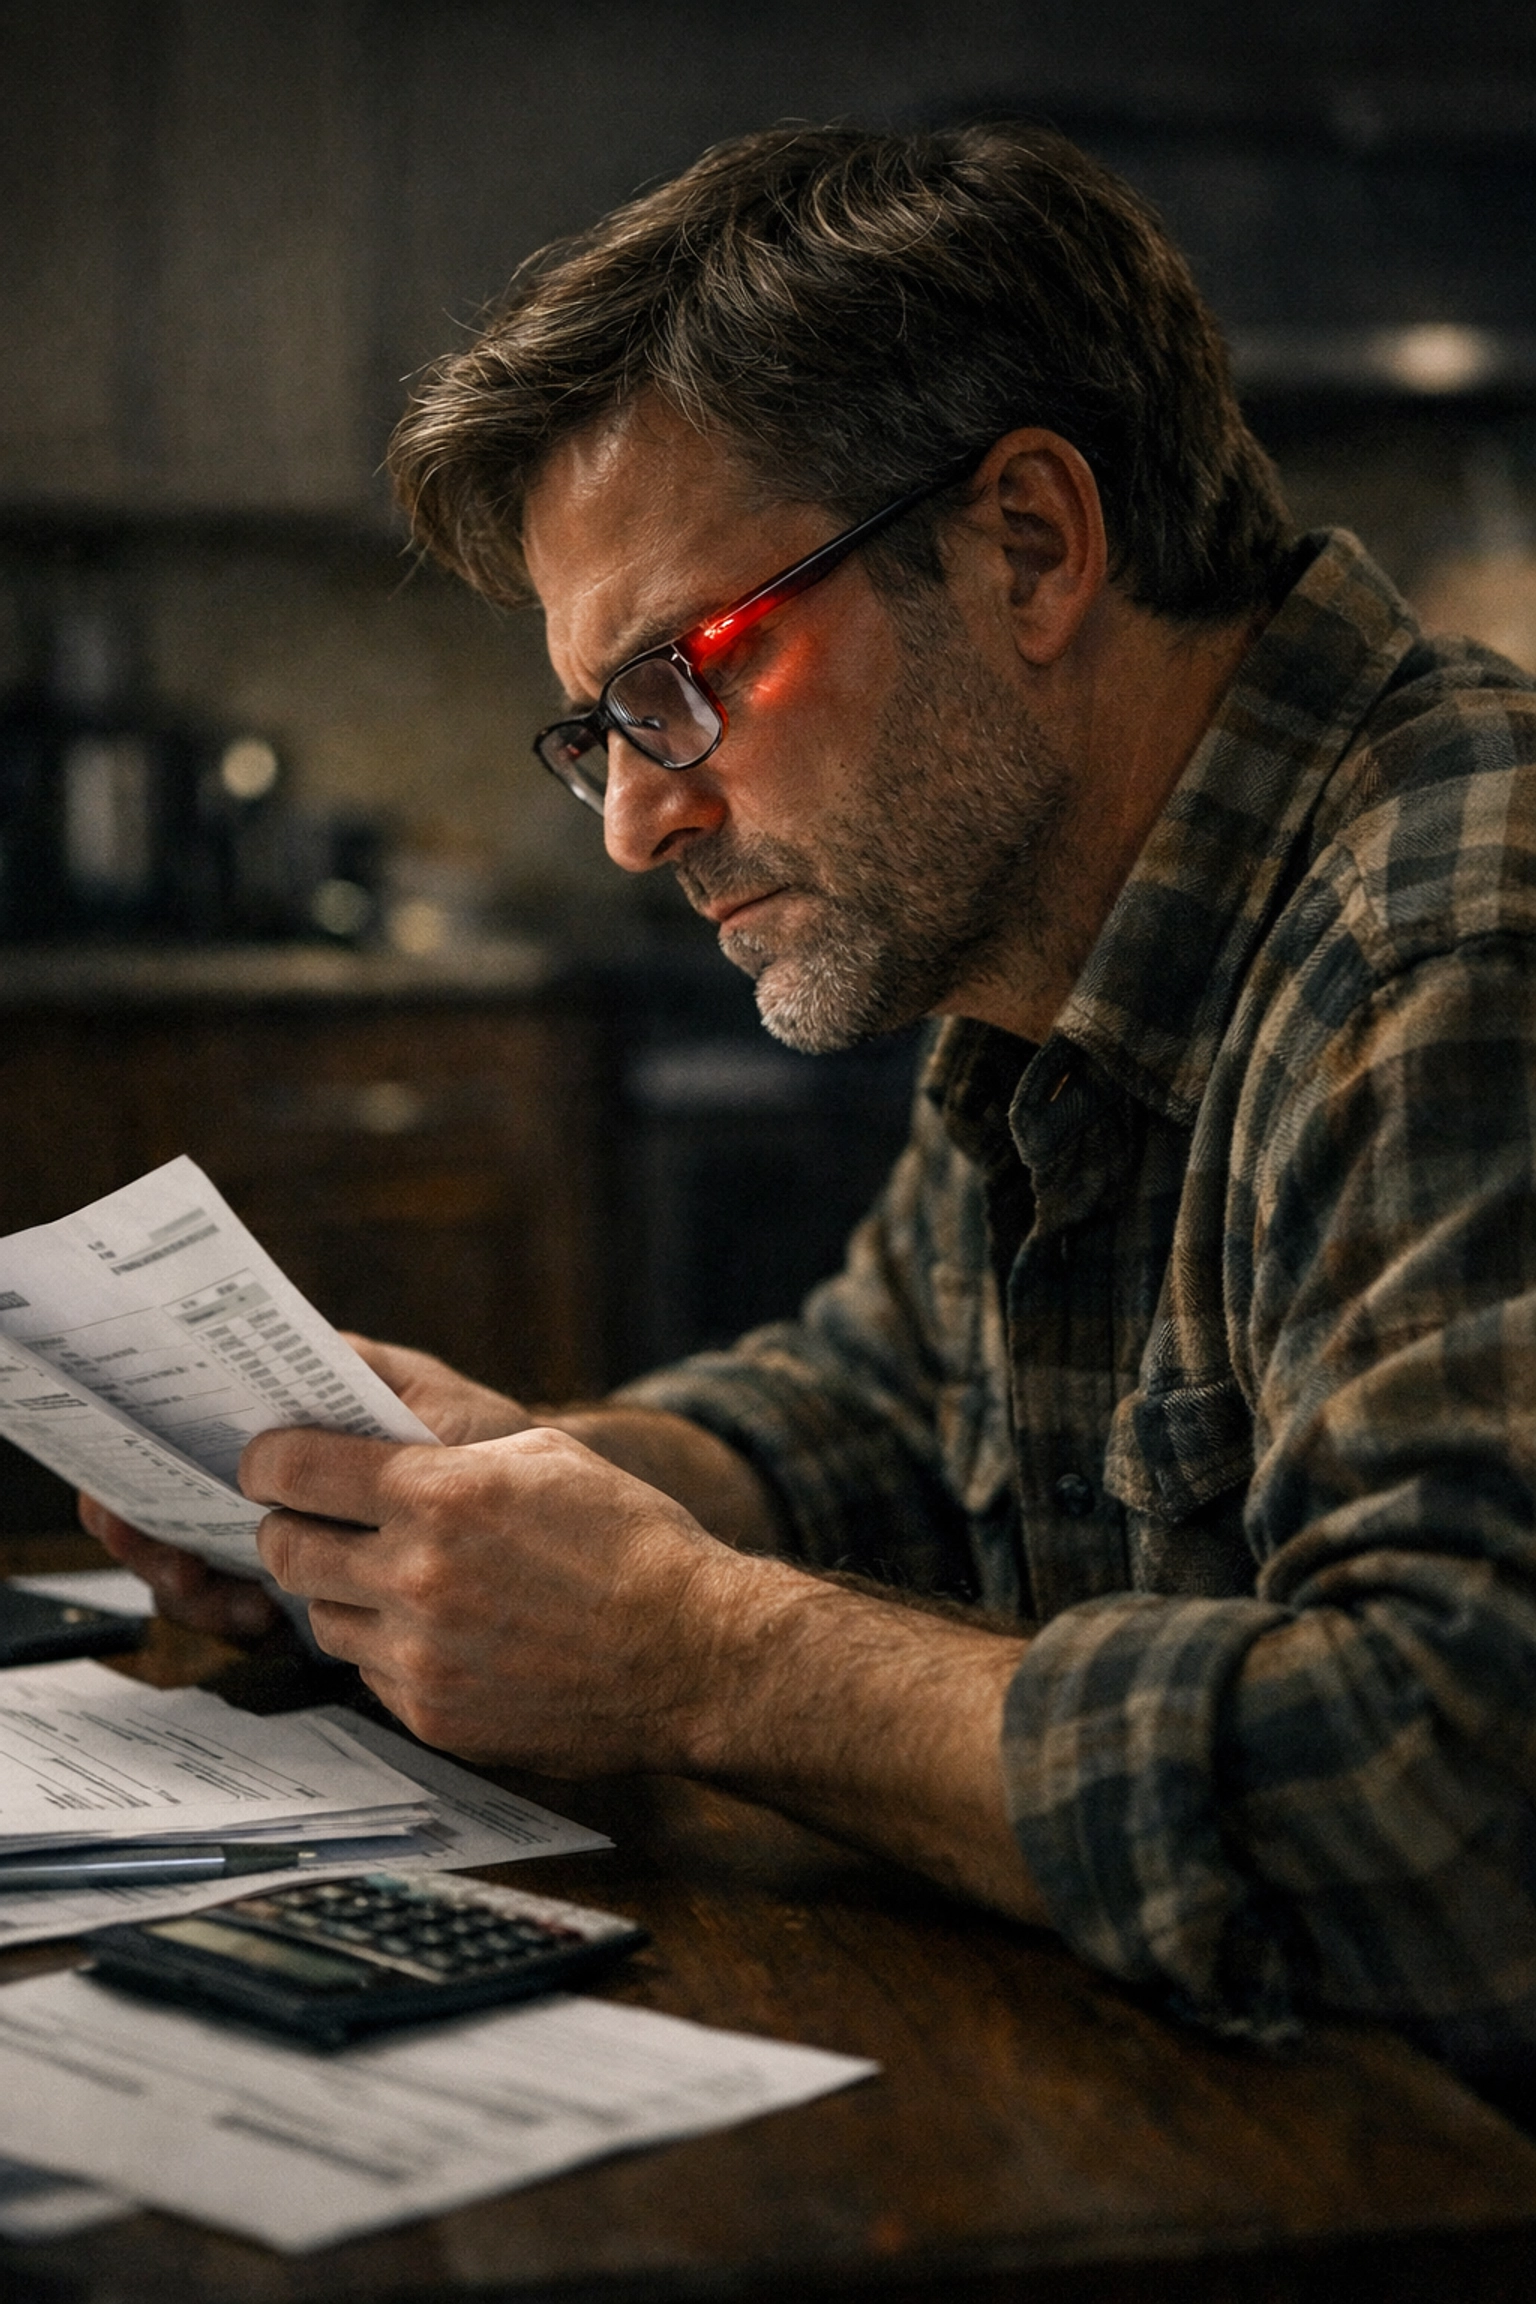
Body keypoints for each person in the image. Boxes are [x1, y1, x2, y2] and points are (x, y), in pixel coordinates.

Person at [86, 124, 1536, 2089]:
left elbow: (1446, 1806)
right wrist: (474, 1509)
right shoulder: (1067, 940)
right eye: (596, 728)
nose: (631, 822)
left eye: (683, 677)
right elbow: (873, 1400)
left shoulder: (1455, 956)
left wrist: (698, 1658)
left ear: (1029, 544)